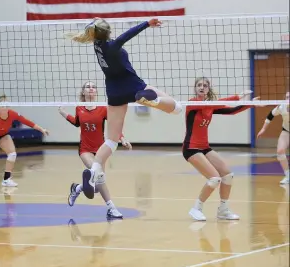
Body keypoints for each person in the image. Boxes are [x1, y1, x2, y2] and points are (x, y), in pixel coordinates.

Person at [65, 17, 183, 199]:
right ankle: (152, 101)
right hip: (132, 85)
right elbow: (127, 35)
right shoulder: (111, 46)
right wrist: (147, 23)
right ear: (108, 31)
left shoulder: (97, 44)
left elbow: (97, 28)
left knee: (111, 141)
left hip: (114, 92)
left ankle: (94, 170)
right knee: (177, 108)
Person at [184, 77, 259, 221]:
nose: (202, 87)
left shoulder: (209, 107)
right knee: (214, 178)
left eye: (205, 85)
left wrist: (251, 104)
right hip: (191, 148)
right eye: (199, 85)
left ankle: (223, 210)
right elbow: (220, 103)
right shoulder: (192, 103)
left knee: (227, 175)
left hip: (204, 147)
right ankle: (196, 208)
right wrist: (238, 96)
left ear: (208, 89)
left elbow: (231, 111)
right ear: (195, 88)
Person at [59, 81, 131, 218]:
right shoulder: (79, 108)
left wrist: (122, 138)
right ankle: (112, 208)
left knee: (97, 186)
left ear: (96, 92)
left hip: (100, 151)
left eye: (93, 87)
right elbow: (76, 123)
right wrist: (64, 114)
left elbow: (113, 125)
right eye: (88, 87)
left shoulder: (103, 109)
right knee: (99, 177)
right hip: (85, 149)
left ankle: (77, 188)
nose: (91, 89)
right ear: (84, 92)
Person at [257, 91, 289, 185]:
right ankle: (288, 175)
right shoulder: (282, 107)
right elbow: (270, 116)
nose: (288, 99)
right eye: (287, 97)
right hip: (286, 131)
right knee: (280, 151)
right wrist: (263, 129)